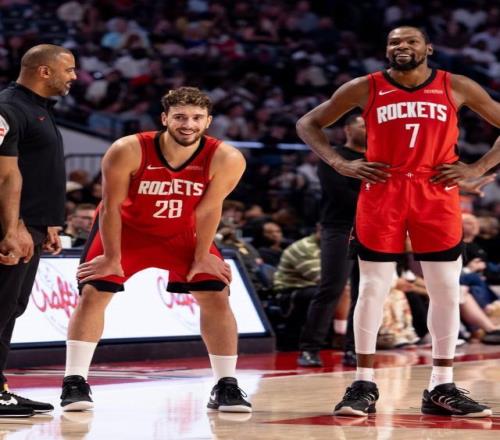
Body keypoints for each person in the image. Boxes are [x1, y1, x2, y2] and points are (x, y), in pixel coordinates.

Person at [297, 26, 500, 418]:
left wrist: (477, 168)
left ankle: (441, 386)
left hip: (435, 191)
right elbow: (308, 123)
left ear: (428, 48)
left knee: (445, 289)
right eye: (394, 42)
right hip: (382, 190)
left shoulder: (456, 85)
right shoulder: (365, 86)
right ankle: (363, 383)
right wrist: (338, 162)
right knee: (373, 287)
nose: (402, 46)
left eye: (410, 41)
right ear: (386, 49)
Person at [60, 87, 251, 413]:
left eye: (196, 118)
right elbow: (111, 206)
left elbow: (209, 209)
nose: (188, 124)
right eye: (180, 117)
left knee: (215, 294)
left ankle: (226, 385)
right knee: (94, 292)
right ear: (165, 118)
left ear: (208, 121)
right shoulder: (128, 149)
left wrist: (202, 255)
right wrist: (112, 257)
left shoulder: (227, 157)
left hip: (182, 232)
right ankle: (74, 381)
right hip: (127, 231)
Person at [0, 44, 76, 417]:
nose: (74, 76)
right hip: (10, 226)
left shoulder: (38, 108)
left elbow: (36, 171)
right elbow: (4, 175)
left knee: (10, 307)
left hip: (30, 224)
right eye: (69, 69)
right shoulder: (8, 107)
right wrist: (12, 226)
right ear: (44, 71)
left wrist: (46, 223)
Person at [297, 114, 365, 367]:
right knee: (332, 288)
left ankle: (355, 349)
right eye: (362, 125)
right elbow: (341, 195)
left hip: (373, 229)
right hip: (340, 227)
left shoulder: (379, 157)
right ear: (347, 129)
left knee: (365, 292)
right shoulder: (333, 156)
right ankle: (309, 348)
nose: (368, 129)